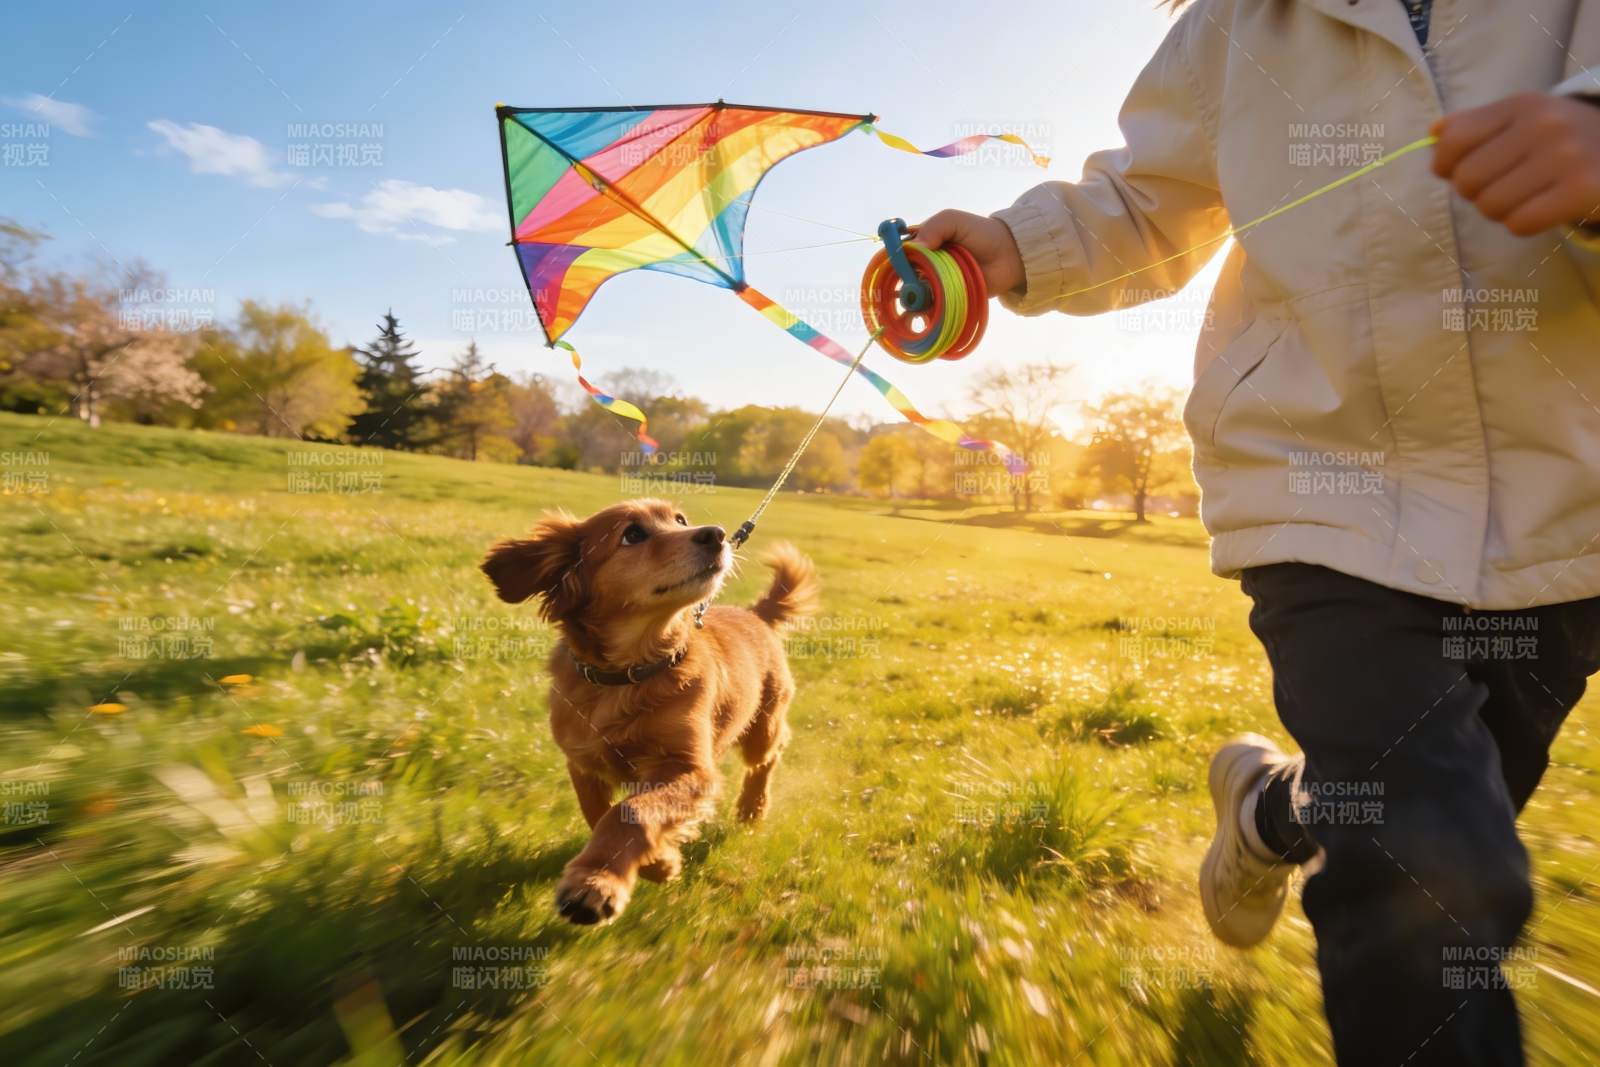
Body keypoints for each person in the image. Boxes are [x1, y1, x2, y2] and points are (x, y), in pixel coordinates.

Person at [915, 2, 1600, 1064]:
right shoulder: (1238, 24)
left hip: (1560, 501)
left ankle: (1273, 813)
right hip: (1321, 487)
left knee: (1441, 806)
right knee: (1436, 868)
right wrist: (1017, 244)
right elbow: (1150, 202)